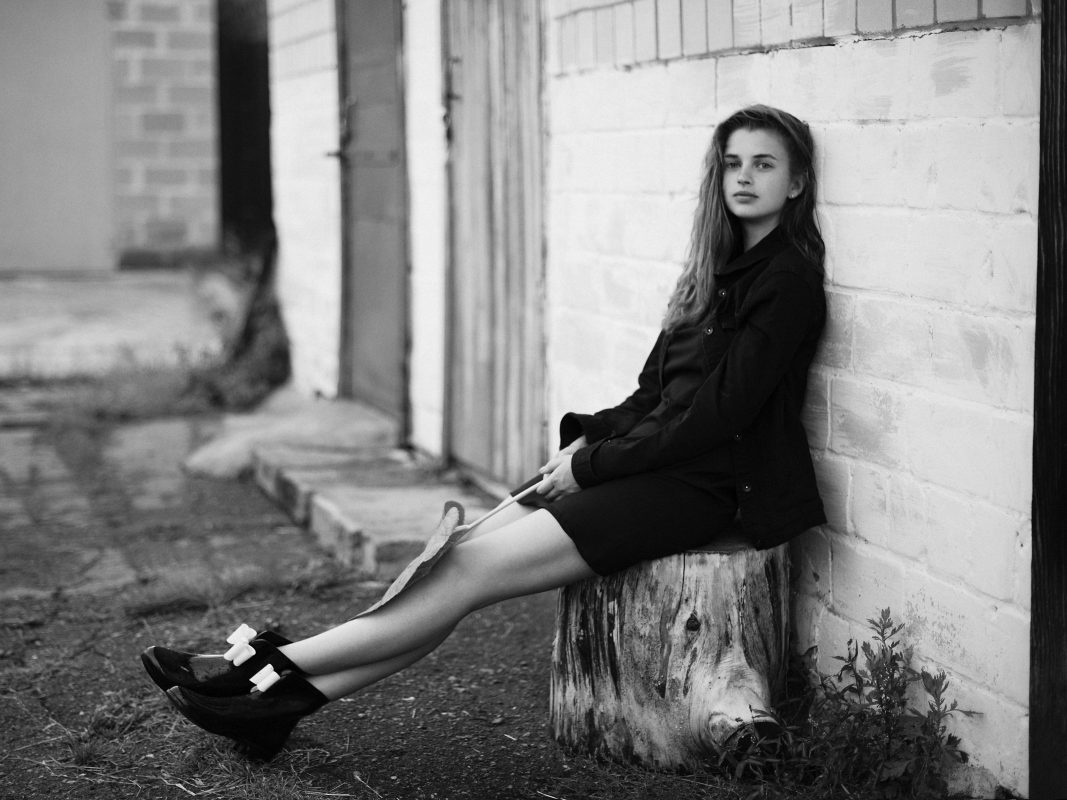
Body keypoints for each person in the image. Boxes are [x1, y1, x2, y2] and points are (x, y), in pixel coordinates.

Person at [141, 104, 828, 760]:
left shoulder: (785, 280)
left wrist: (591, 470)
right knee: (455, 558)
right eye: (733, 162)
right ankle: (276, 706)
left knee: (465, 572)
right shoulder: (711, 274)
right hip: (652, 467)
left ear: (795, 182)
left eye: (764, 164)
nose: (743, 176)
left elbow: (719, 418)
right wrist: (585, 441)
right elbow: (653, 394)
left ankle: (262, 668)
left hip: (707, 488)